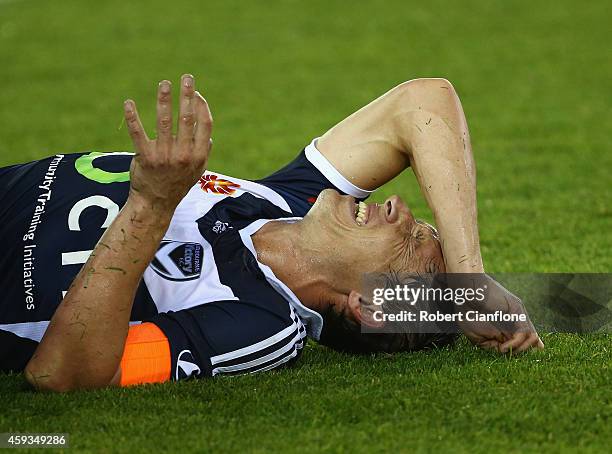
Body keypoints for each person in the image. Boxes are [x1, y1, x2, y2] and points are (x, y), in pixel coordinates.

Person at [0, 75, 543, 392]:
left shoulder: (257, 325)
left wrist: (151, 204)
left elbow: (63, 375)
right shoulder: (290, 200)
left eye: (411, 239)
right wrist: (469, 279)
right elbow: (422, 101)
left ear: (368, 306)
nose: (399, 204)